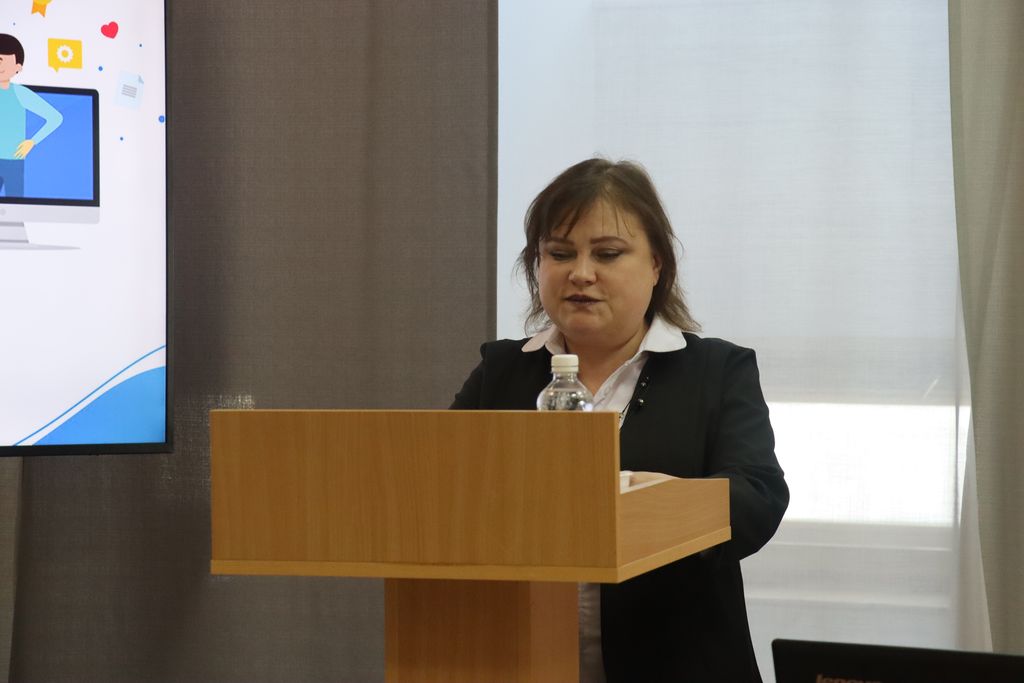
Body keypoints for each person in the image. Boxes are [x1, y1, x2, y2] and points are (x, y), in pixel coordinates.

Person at [451, 158, 789, 682]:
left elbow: (759, 499)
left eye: (607, 254)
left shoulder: (718, 370)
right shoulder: (502, 370)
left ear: (656, 265)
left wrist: (670, 505)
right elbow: (439, 491)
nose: (581, 273)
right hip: (521, 659)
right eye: (559, 253)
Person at [0, 33, 63, 197]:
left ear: (18, 67)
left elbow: (55, 118)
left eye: (2, 59)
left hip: (14, 162)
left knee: (16, 208)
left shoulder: (20, 93)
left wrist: (33, 141)